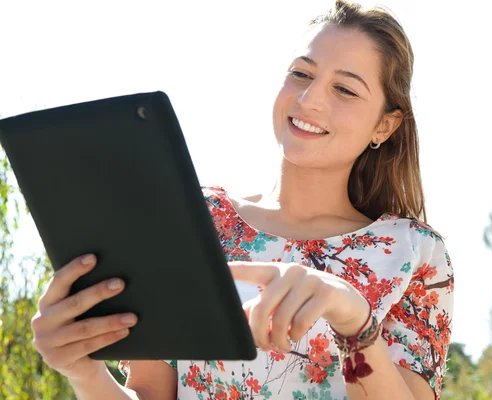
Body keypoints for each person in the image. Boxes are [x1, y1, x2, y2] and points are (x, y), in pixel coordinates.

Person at [30, 1, 454, 399]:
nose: (309, 100)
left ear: (385, 124)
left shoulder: (415, 253)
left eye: (344, 89)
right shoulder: (196, 218)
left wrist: (354, 318)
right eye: (301, 74)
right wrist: (84, 373)